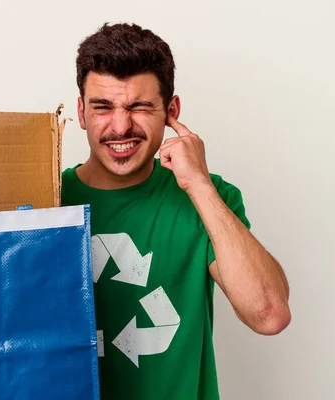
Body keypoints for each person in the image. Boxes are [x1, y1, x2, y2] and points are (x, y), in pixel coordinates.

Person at [61, 23, 291, 399]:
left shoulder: (211, 197)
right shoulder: (44, 204)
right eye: (103, 107)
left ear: (171, 111)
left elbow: (269, 315)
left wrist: (199, 185)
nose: (120, 127)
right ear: (82, 112)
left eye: (139, 107)